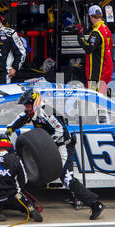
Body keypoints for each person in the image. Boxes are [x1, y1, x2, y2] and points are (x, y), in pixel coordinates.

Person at [7, 89, 105, 220]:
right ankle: (30, 203)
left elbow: (62, 133)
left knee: (66, 178)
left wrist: (44, 145)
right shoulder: (31, 112)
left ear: (35, 103)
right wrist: (8, 132)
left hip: (63, 146)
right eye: (25, 106)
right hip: (51, 147)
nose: (26, 108)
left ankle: (95, 204)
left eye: (28, 105)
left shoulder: (48, 113)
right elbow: (17, 121)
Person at [0, 134, 43, 222]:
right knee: (26, 201)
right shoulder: (16, 159)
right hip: (12, 197)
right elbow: (24, 180)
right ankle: (30, 208)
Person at [76, 5, 113, 94]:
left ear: (91, 17)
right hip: (106, 67)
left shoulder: (97, 32)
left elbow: (89, 48)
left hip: (97, 70)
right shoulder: (106, 28)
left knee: (93, 96)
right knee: (104, 95)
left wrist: (80, 36)